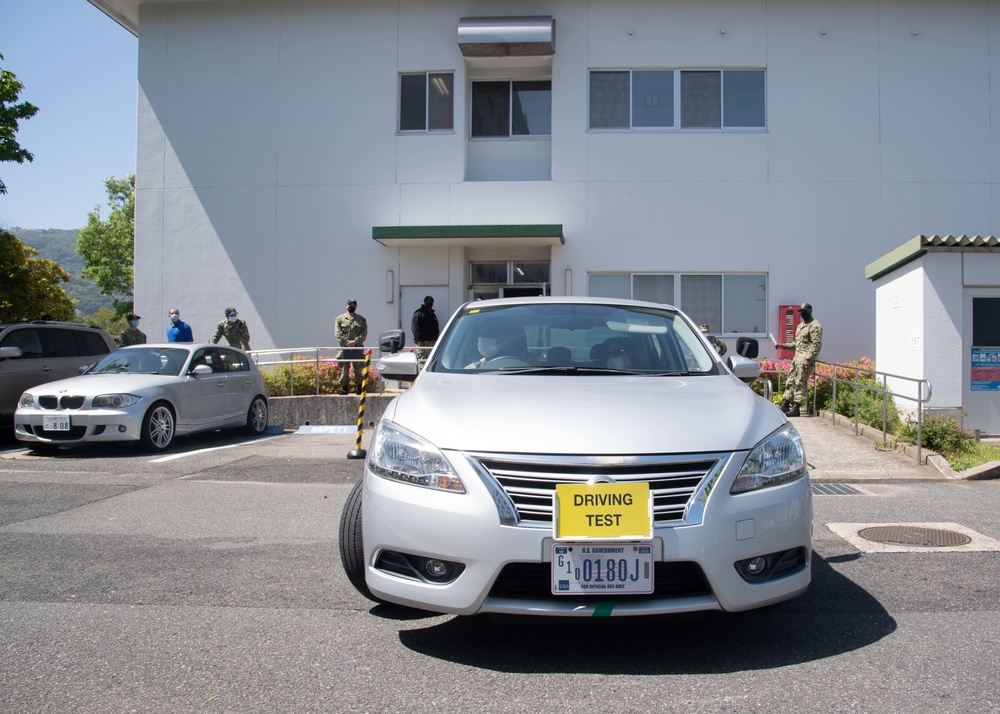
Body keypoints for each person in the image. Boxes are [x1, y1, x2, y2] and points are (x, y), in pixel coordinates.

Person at [776, 303, 823, 417]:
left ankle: (796, 406)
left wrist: (808, 359)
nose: (803, 314)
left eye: (805, 311)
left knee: (800, 382)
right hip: (797, 359)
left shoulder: (815, 325)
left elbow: (816, 345)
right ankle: (786, 403)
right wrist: (782, 346)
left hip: (805, 360)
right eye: (801, 312)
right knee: (790, 381)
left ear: (810, 312)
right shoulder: (800, 326)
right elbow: (796, 344)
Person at [335, 298, 368, 394]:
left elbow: (364, 334)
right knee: (345, 369)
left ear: (356, 306)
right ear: (346, 306)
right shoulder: (339, 319)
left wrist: (355, 341)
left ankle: (359, 388)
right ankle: (344, 388)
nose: (352, 306)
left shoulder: (361, 320)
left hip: (357, 347)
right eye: (350, 305)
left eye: (354, 305)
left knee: (358, 368)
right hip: (345, 348)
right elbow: (337, 334)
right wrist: (347, 342)